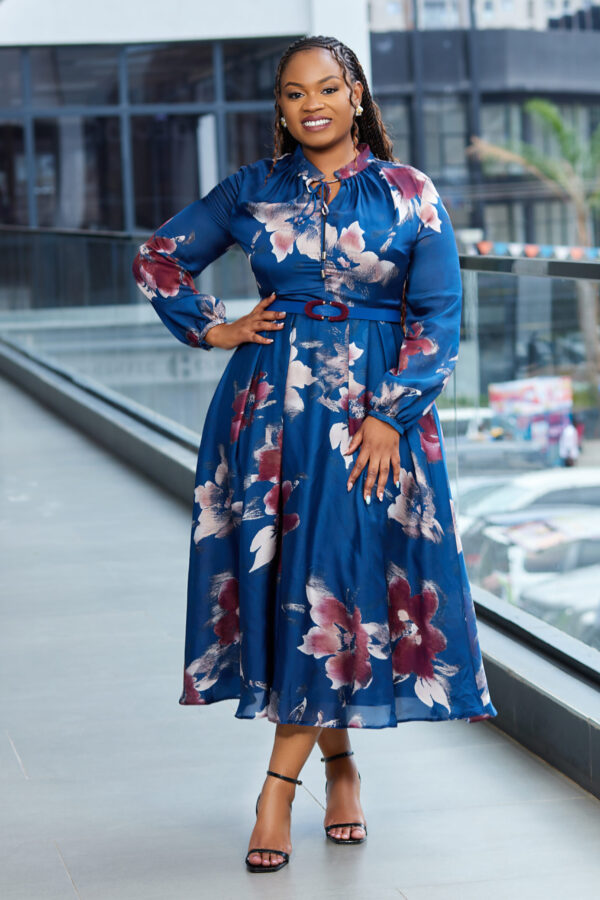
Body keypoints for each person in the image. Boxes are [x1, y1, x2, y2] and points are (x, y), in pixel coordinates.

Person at [132, 34, 498, 874]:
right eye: (295, 94)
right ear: (282, 109)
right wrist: (216, 327)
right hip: (271, 414)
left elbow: (439, 317)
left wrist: (391, 417)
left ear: (358, 95)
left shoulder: (410, 193)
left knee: (334, 580)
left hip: (373, 417)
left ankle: (275, 791)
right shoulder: (252, 190)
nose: (312, 105)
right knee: (303, 584)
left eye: (328, 88)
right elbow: (159, 258)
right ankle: (340, 769)